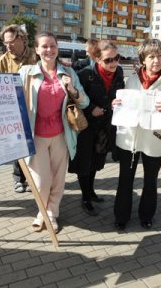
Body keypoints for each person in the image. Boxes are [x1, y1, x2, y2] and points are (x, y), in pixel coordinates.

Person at [112, 38, 161, 230]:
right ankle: (121, 216)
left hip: (154, 140)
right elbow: (123, 103)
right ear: (143, 59)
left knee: (150, 181)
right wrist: (116, 104)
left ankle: (146, 216)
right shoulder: (132, 79)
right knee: (125, 180)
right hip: (129, 139)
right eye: (152, 56)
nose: (157, 61)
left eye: (160, 56)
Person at [19, 31, 89, 233]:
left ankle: (50, 214)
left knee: (58, 179)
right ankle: (43, 210)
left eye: (53, 46)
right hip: (36, 134)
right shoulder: (26, 72)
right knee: (41, 181)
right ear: (37, 49)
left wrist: (72, 90)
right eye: (45, 46)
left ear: (57, 49)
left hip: (61, 134)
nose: (49, 50)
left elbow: (84, 101)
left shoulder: (69, 73)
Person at [68, 40, 125, 216]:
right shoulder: (85, 74)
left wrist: (114, 104)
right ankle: (85, 197)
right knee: (84, 163)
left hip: (104, 126)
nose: (114, 63)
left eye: (116, 58)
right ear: (96, 58)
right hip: (86, 126)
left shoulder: (119, 72)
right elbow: (76, 97)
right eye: (108, 60)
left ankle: (91, 191)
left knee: (96, 162)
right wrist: (92, 108)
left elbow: (120, 93)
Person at [0, 24, 37, 193]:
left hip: (35, 107)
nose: (8, 46)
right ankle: (19, 179)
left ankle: (34, 176)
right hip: (15, 109)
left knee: (35, 143)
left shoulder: (35, 55)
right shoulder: (3, 60)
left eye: (11, 42)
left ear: (22, 38)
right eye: (5, 43)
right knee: (18, 143)